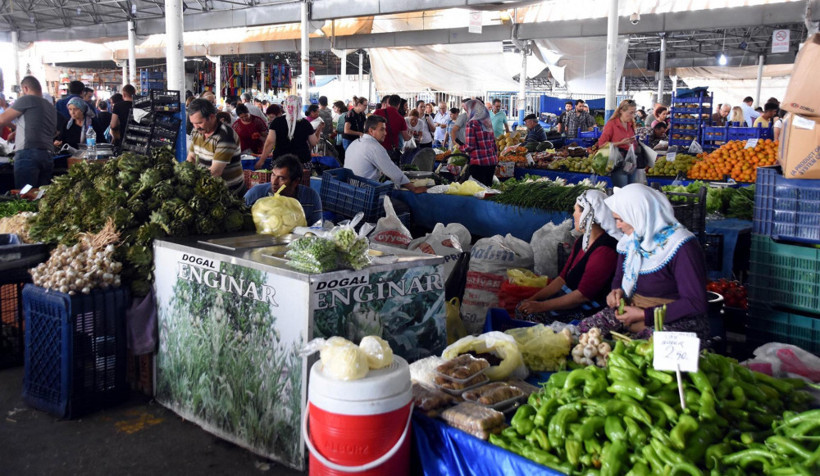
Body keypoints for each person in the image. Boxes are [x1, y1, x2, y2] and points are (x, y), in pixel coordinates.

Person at [578, 184, 708, 340]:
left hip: (674, 319)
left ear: (638, 215)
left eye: (620, 220)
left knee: (643, 350)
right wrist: (616, 292)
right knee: (584, 333)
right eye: (615, 220)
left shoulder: (681, 246)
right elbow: (619, 278)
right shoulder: (630, 242)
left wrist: (644, 315)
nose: (617, 226)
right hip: (630, 311)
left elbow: (695, 302)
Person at [516, 190, 622, 323]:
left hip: (588, 310)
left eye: (576, 210)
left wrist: (540, 306)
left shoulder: (605, 250)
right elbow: (562, 278)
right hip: (573, 301)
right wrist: (533, 299)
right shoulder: (581, 241)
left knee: (532, 316)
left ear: (587, 215)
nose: (573, 214)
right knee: (522, 308)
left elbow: (582, 296)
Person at [0, 76, 58, 188]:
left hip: (28, 154)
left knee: (25, 196)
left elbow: (2, 120)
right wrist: (17, 131)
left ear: (25, 88)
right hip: (47, 156)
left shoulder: (27, 99)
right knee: (40, 196)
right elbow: (40, 128)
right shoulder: (50, 107)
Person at [345, 115, 426, 193]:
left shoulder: (354, 143)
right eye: (382, 129)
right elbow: (394, 173)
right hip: (366, 193)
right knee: (403, 205)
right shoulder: (374, 147)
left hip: (351, 189)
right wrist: (414, 188)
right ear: (371, 131)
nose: (385, 133)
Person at [186, 98, 245, 195]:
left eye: (199, 122)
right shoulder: (198, 131)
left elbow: (215, 172)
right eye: (193, 123)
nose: (196, 127)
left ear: (212, 117)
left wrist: (193, 183)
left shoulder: (225, 136)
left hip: (229, 192)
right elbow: (191, 157)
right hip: (207, 187)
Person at [244, 154, 323, 225]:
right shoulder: (256, 194)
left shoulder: (311, 197)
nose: (274, 182)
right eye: (273, 175)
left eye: (281, 178)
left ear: (296, 181)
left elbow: (317, 228)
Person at [258, 95, 319, 167]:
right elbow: (314, 142)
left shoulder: (277, 122)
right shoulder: (305, 123)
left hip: (280, 162)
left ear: (286, 106)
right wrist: (319, 129)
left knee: (280, 178)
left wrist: (261, 161)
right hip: (301, 163)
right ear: (299, 106)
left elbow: (270, 142)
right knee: (299, 178)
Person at [599, 100, 643, 187]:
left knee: (631, 190)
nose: (632, 116)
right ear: (621, 111)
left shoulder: (631, 124)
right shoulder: (612, 124)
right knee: (622, 191)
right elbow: (601, 145)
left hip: (631, 163)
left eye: (634, 113)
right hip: (618, 162)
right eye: (630, 113)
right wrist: (620, 143)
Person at [461, 99, 499, 187]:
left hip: (479, 163)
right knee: (488, 189)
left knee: (478, 191)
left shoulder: (471, 123)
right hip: (491, 162)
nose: (467, 113)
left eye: (467, 110)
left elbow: (470, 146)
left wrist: (461, 147)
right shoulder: (487, 122)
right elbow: (494, 143)